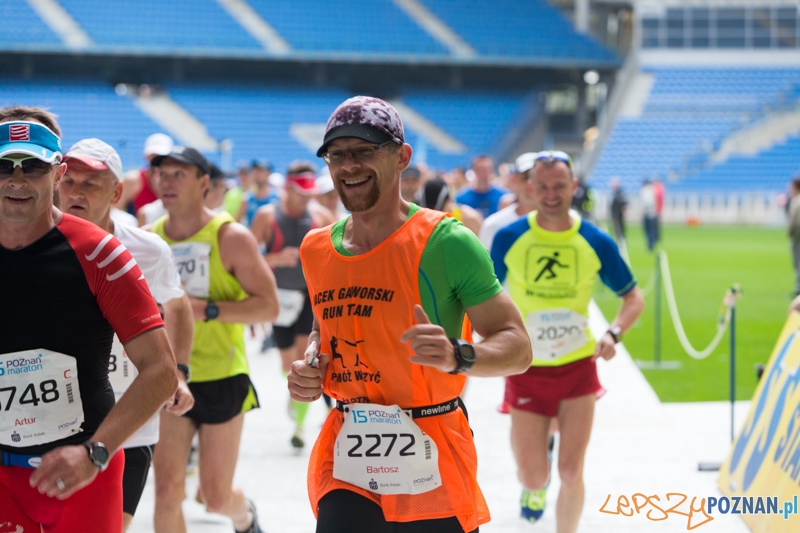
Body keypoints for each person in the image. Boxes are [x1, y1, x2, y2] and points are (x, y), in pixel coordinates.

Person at [288, 96, 532, 533]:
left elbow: (517, 345)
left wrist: (458, 355)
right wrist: (311, 362)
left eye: (364, 151)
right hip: (349, 450)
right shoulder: (317, 247)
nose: (348, 165)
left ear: (402, 157)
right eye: (337, 154)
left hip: (431, 448)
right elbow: (324, 326)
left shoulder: (446, 241)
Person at [0, 107, 178, 532]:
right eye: (4, 166)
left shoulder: (101, 253)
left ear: (57, 173)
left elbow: (161, 372)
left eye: (34, 167)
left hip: (84, 472)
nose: (17, 180)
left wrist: (95, 452)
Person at [490, 150, 644, 532]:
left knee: (572, 470)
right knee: (532, 476)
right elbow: (482, 294)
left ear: (574, 187)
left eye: (560, 186)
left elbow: (633, 298)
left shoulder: (594, 239)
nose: (551, 194)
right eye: (543, 186)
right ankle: (536, 486)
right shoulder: (510, 237)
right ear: (530, 188)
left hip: (578, 368)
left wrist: (614, 333)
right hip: (526, 367)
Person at [57, 137, 196, 531]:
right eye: (69, 182)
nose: (75, 192)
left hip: (129, 421)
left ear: (117, 192)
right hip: (57, 417)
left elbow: (179, 305)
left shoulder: (148, 250)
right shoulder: (34, 242)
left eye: (91, 184)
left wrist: (179, 372)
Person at [148, 146, 279, 533]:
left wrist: (204, 309)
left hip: (223, 375)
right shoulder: (148, 239)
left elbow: (269, 307)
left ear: (204, 183)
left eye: (179, 174)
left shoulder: (230, 236)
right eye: (162, 174)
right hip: (171, 378)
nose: (167, 182)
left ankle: (246, 517)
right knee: (167, 492)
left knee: (215, 497)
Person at [250, 162, 336, 449]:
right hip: (279, 298)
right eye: (301, 193)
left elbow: (338, 256)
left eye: (310, 194)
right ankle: (295, 398)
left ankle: (299, 427)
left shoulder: (322, 216)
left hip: (309, 300)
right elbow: (244, 261)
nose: (306, 199)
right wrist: (272, 260)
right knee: (287, 364)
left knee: (303, 360)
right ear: (287, 189)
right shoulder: (266, 216)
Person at [479, 152, 538, 251]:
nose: (530, 183)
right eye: (525, 177)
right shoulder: (493, 225)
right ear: (513, 179)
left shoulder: (562, 223)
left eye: (536, 178)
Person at [120, 133, 173, 215]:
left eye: (161, 156)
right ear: (146, 156)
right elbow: (115, 211)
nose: (157, 160)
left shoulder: (177, 182)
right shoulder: (133, 180)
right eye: (153, 156)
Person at [238, 159, 278, 227]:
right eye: (255, 170)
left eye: (261, 171)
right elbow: (237, 223)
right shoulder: (246, 198)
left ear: (269, 173)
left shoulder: (278, 198)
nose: (257, 174)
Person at [788, 177, 800, 296]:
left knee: (798, 262)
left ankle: (798, 290)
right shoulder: (795, 200)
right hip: (795, 236)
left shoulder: (798, 201)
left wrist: (793, 232)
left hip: (798, 237)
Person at [641, 179, 658, 252]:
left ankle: (650, 245)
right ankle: (651, 244)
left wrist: (644, 211)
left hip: (648, 214)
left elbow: (646, 203)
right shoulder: (652, 190)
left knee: (648, 231)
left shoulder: (646, 191)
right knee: (651, 230)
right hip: (652, 213)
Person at [609, 176, 627, 246]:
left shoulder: (620, 193)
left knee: (620, 231)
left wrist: (623, 211)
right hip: (614, 215)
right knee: (615, 231)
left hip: (618, 216)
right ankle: (618, 242)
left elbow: (624, 204)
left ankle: (621, 243)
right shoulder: (614, 193)